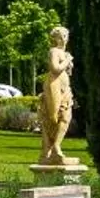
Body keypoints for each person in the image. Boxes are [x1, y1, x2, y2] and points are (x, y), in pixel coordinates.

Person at [38, 25, 75, 165]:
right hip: (54, 86)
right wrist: (67, 60)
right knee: (53, 117)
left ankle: (56, 147)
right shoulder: (54, 51)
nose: (63, 39)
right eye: (60, 37)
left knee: (66, 116)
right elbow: (55, 69)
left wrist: (67, 61)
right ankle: (48, 147)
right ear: (55, 39)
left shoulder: (63, 53)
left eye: (65, 36)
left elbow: (67, 72)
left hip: (64, 88)